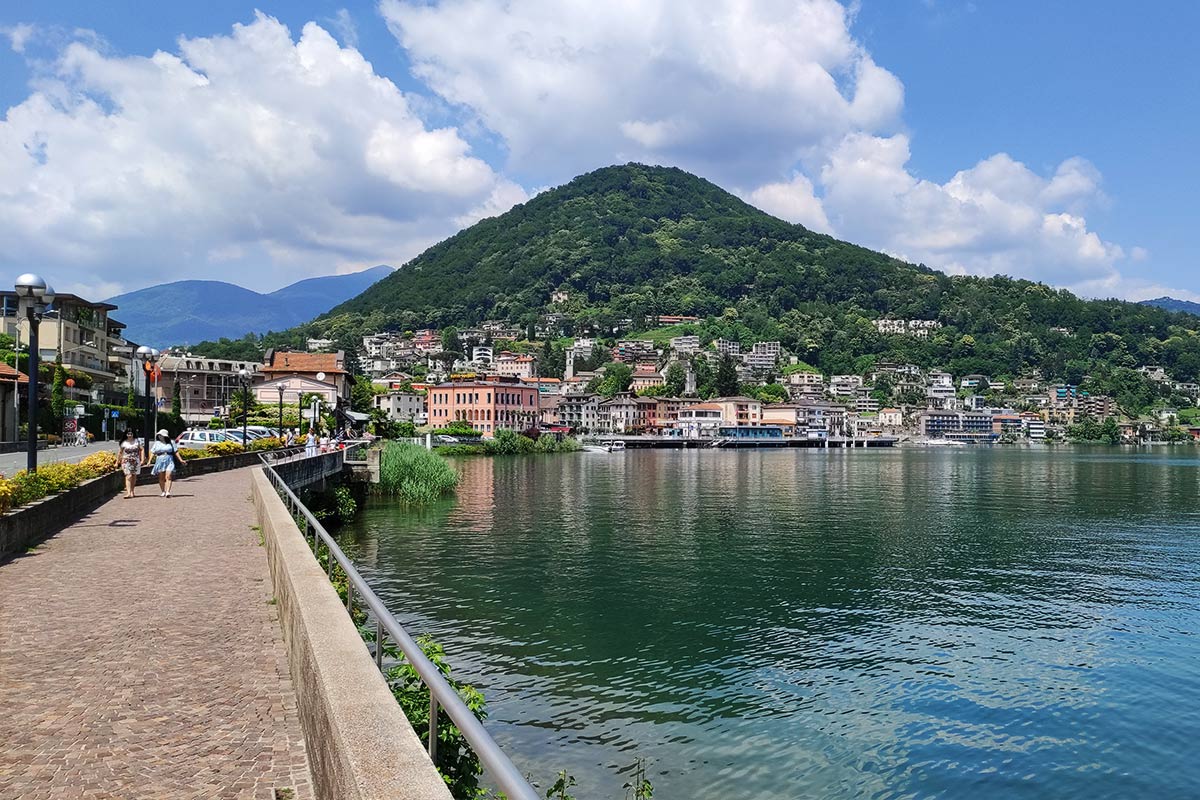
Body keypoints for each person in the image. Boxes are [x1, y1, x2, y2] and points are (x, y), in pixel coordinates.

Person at [149, 429, 185, 498]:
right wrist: (149, 461)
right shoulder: (157, 443)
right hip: (160, 460)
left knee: (168, 476)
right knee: (161, 477)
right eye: (159, 435)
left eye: (161, 435)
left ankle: (168, 491)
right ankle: (163, 491)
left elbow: (175, 451)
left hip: (169, 459)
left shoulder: (171, 442)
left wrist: (181, 460)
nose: (160, 437)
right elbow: (152, 452)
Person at [119, 428, 144, 499]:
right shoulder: (124, 443)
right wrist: (118, 461)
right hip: (126, 461)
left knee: (134, 476)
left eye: (131, 434)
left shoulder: (137, 441)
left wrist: (142, 459)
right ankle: (128, 492)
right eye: (128, 434)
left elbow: (142, 449)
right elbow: (120, 452)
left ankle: (132, 491)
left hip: (135, 461)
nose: (129, 435)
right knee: (128, 476)